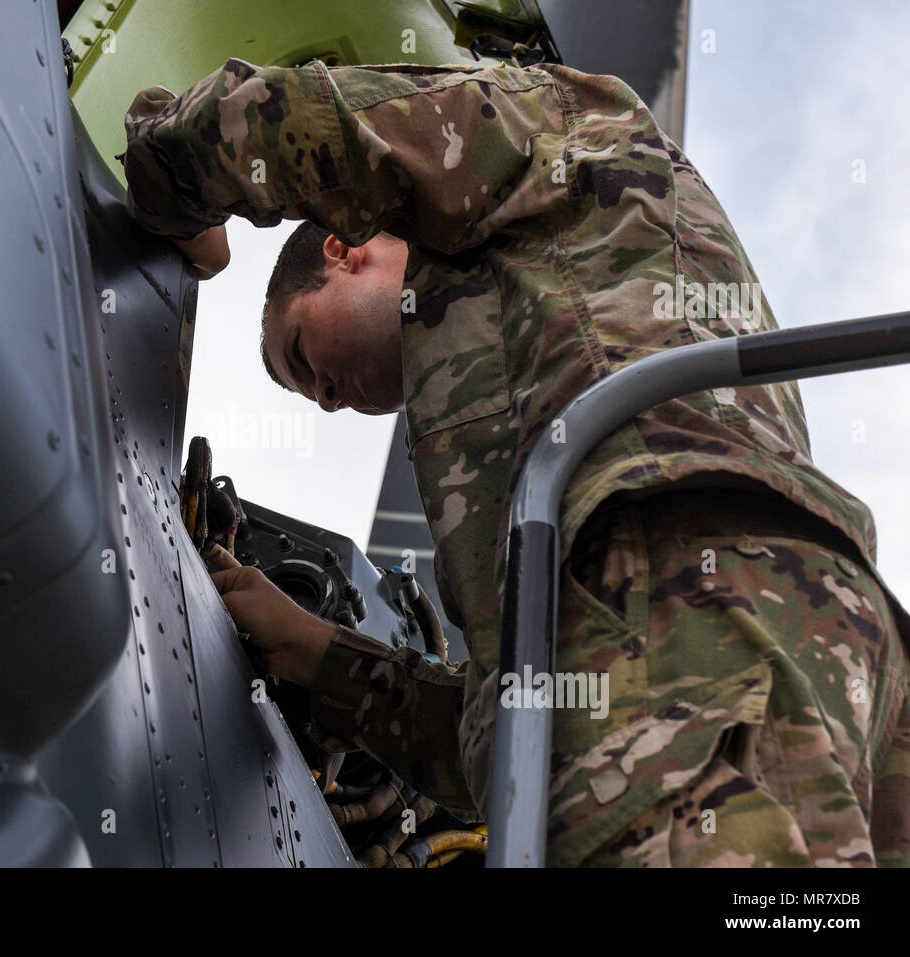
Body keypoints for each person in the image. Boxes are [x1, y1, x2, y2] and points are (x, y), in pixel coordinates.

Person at [117, 56, 910, 866]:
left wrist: (166, 180)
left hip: (692, 598)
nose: (321, 398)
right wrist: (316, 654)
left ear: (345, 249)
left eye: (297, 351)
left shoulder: (564, 136)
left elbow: (311, 122)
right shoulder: (532, 461)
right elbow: (508, 730)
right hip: (813, 666)